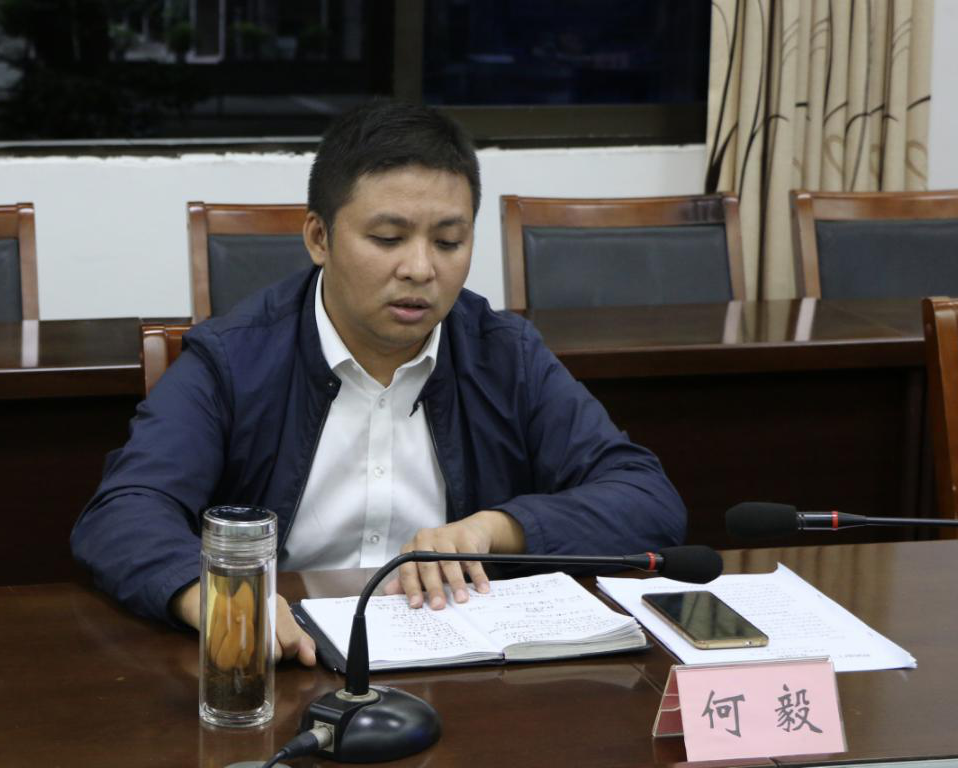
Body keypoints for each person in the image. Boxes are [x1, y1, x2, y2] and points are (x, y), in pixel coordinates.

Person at [71, 101, 686, 667]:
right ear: (319, 238)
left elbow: (647, 499)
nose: (420, 268)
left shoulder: (504, 355)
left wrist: (494, 530)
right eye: (388, 239)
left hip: (462, 664)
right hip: (284, 661)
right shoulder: (235, 359)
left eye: (449, 242)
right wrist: (220, 599)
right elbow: (125, 511)